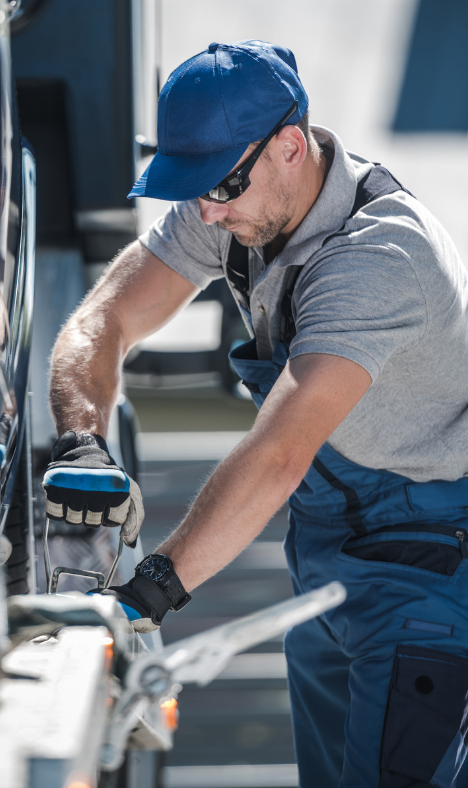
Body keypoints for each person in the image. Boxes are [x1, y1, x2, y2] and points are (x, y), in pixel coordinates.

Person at [42, 39, 468, 788]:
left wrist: (151, 592)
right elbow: (99, 323)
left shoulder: (380, 258)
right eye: (195, 188)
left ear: (291, 147)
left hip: (429, 568)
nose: (207, 208)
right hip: (332, 555)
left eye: (221, 187)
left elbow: (280, 454)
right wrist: (83, 444)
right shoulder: (238, 202)